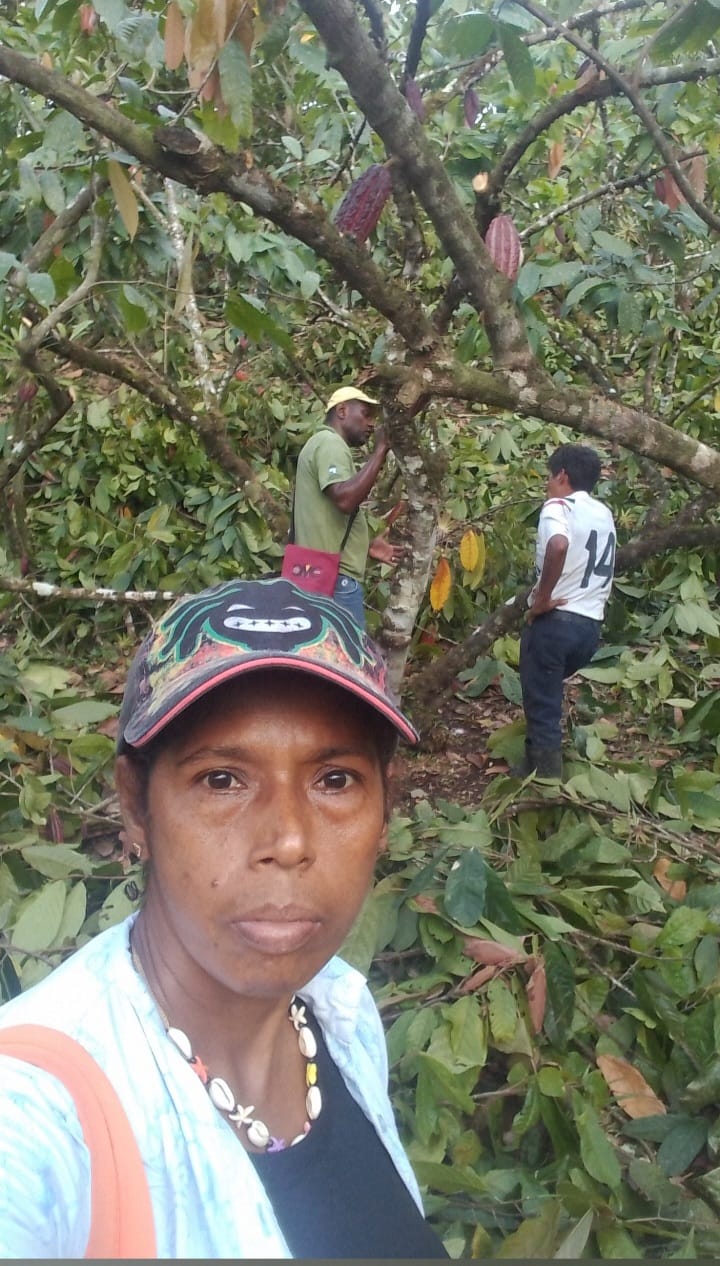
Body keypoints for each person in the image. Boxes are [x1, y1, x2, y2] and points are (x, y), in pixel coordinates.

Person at [0, 577, 448, 1259]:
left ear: (385, 807)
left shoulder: (344, 1016)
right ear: (136, 806)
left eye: (335, 780)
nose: (289, 840)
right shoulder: (34, 1112)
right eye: (221, 780)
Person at [515, 444, 616, 780]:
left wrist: (541, 599)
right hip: (589, 628)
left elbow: (558, 545)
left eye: (549, 476)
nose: (547, 484)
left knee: (542, 704)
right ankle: (532, 765)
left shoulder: (558, 507)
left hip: (556, 622)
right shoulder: (603, 513)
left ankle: (546, 782)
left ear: (562, 475)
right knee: (546, 693)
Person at [292, 385, 403, 628]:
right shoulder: (329, 443)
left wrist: (366, 547)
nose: (371, 424)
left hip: (313, 574)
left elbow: (327, 519)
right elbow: (345, 500)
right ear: (342, 411)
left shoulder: (319, 444)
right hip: (335, 582)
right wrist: (380, 451)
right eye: (366, 414)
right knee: (347, 651)